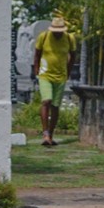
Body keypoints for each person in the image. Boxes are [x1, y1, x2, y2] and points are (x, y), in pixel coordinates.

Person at [32, 14, 76, 146]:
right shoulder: (43, 37)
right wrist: (36, 72)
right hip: (45, 75)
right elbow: (37, 55)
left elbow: (73, 56)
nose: (57, 34)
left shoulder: (69, 38)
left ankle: (51, 134)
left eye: (59, 32)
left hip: (60, 76)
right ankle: (45, 133)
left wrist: (68, 71)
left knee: (55, 106)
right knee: (46, 101)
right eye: (55, 32)